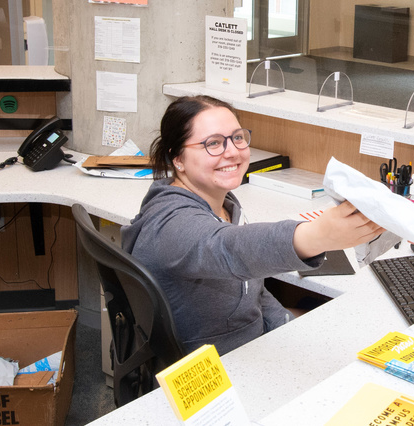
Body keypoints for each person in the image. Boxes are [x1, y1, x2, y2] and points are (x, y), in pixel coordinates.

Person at [122, 95, 383, 354]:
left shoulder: (223, 204)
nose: (233, 152)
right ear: (177, 158)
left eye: (237, 137)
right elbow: (228, 249)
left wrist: (285, 323)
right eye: (213, 143)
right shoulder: (172, 223)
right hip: (214, 371)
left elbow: (252, 290)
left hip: (250, 343)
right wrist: (316, 235)